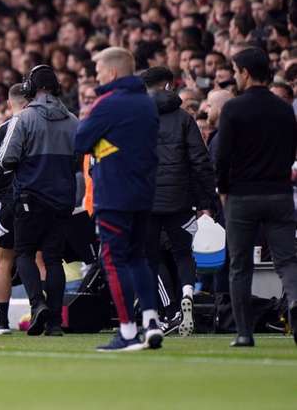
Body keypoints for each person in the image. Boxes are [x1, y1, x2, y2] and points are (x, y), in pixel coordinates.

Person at [74, 47, 163, 352]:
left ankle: (127, 331)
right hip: (144, 191)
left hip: (113, 192)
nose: (96, 76)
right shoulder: (147, 103)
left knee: (114, 259)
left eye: (99, 71)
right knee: (139, 257)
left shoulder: (108, 104)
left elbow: (81, 140)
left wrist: (101, 140)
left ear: (112, 73)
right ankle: (151, 321)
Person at [214, 47, 297, 347]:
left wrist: (223, 189)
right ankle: (295, 301)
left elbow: (222, 157)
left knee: (239, 265)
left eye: (236, 71)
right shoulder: (284, 109)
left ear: (245, 73)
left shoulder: (234, 109)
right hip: (279, 193)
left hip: (242, 195)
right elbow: (291, 153)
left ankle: (244, 332)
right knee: (288, 261)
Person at [0, 65, 78, 337]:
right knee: (54, 260)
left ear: (30, 88)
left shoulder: (24, 119)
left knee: (24, 253)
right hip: (62, 199)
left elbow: (6, 157)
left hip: (29, 197)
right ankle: (54, 321)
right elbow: (79, 158)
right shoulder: (73, 120)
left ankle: (37, 304)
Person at [141, 67, 216, 337]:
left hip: (146, 201)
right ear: (170, 86)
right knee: (183, 253)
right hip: (181, 200)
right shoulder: (185, 119)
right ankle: (187, 295)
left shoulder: (136, 119)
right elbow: (200, 160)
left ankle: (170, 311)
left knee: (150, 258)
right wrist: (208, 199)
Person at [0, 83, 28, 335]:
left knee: (4, 261)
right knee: (39, 258)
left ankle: (2, 321)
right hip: (36, 199)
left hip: (7, 201)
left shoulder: (1, 130)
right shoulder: (38, 126)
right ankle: (44, 314)